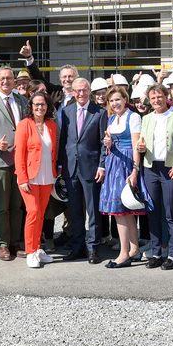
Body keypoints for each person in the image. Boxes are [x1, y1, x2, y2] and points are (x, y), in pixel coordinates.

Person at [57, 78, 108, 263]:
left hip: (91, 168)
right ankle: (78, 247)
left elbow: (103, 142)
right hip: (71, 169)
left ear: (90, 92)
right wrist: (61, 165)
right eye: (77, 91)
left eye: (84, 90)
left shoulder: (100, 112)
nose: (80, 94)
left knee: (93, 211)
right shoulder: (66, 111)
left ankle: (93, 248)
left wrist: (102, 165)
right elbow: (64, 140)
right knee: (75, 211)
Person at [137, 84, 173, 269]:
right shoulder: (147, 118)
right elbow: (141, 142)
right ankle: (156, 252)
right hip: (151, 168)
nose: (157, 100)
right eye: (153, 97)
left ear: (166, 97)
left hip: (170, 168)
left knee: (171, 212)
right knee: (153, 212)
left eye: (160, 96)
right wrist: (139, 149)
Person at [0, 66, 28, 261]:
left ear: (14, 80)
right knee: (2, 205)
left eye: (9, 78)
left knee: (17, 205)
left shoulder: (22, 100)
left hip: (21, 161)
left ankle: (15, 242)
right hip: (0, 161)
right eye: (1, 79)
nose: (5, 82)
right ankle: (3, 244)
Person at [99, 85, 144, 268]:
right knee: (124, 211)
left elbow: (136, 145)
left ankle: (124, 253)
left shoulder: (133, 117)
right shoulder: (111, 118)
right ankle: (134, 250)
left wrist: (135, 170)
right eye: (111, 101)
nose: (115, 103)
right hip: (113, 163)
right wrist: (108, 143)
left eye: (118, 99)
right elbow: (110, 144)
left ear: (125, 99)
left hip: (125, 164)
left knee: (121, 211)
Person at [15, 91, 58, 269]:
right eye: (36, 104)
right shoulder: (25, 124)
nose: (39, 107)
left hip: (47, 176)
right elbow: (19, 153)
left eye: (43, 104)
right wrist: (22, 177)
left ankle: (38, 249)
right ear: (31, 107)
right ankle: (30, 251)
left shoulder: (51, 125)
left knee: (41, 214)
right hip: (30, 177)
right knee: (32, 213)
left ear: (48, 106)